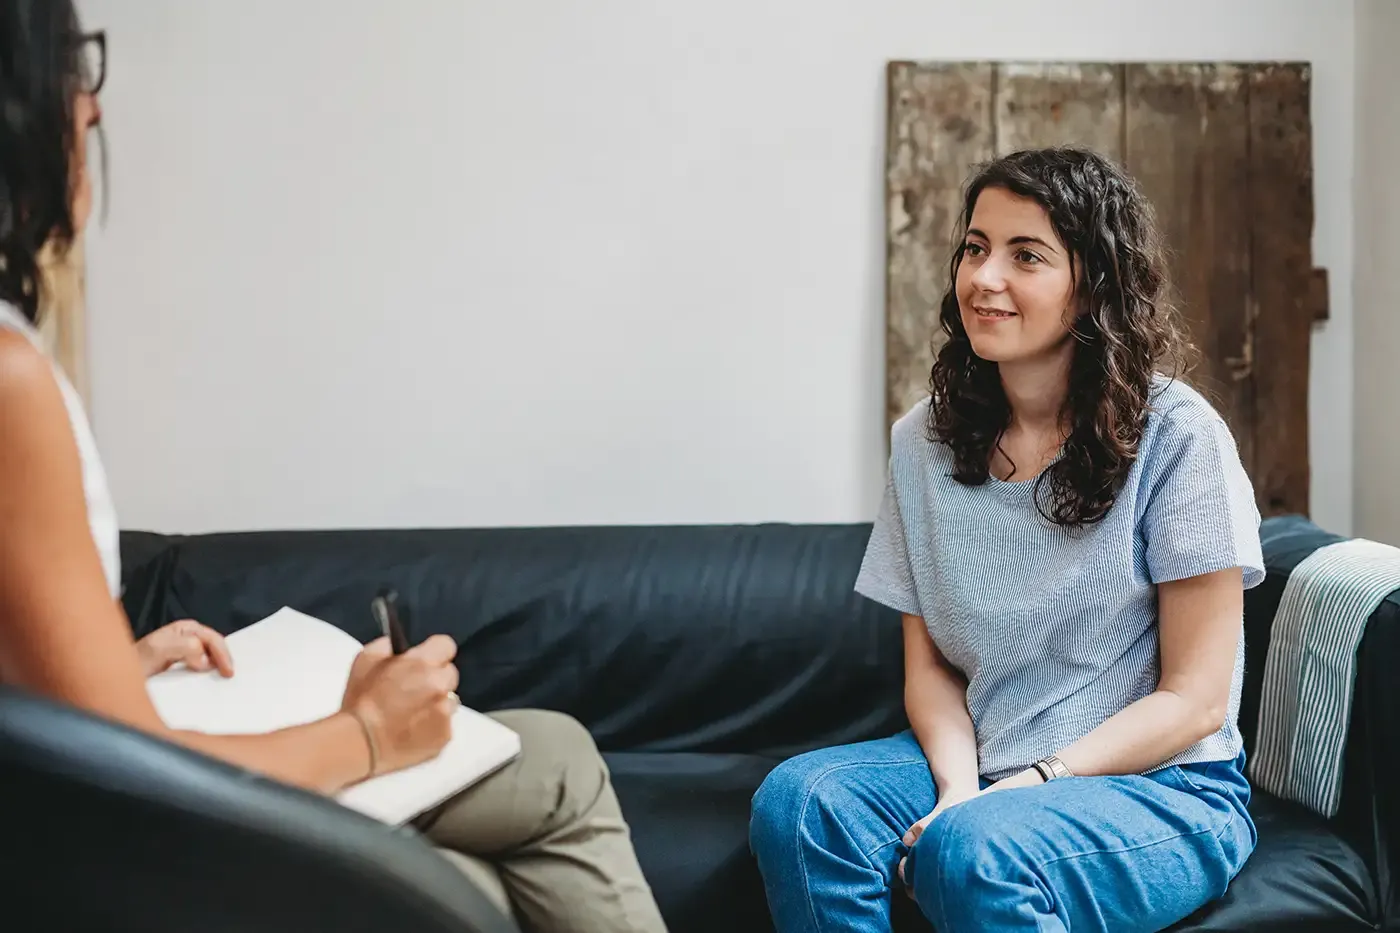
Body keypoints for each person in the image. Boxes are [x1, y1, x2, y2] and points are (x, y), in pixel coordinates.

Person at [0, 5, 666, 932]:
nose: (92, 110)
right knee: (543, 775)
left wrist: (102, 664)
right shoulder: (8, 378)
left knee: (494, 860)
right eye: (72, 69)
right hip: (103, 855)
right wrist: (366, 734)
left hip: (68, 823)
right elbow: (122, 781)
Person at [749, 146, 1264, 932]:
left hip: (1162, 785)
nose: (985, 277)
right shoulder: (921, 442)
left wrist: (1034, 781)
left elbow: (1193, 701)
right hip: (987, 766)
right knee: (802, 803)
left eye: (1026, 255)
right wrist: (959, 790)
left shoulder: (1179, 435)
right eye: (975, 247)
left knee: (975, 850)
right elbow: (929, 669)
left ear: (1093, 285)